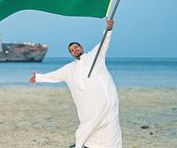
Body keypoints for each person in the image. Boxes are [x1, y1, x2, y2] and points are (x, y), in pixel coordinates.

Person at [30, 19, 121, 148]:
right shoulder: (69, 69)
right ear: (71, 54)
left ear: (81, 48)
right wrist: (38, 77)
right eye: (72, 50)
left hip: (107, 106)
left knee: (110, 131)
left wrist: (109, 29)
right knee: (86, 133)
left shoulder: (95, 56)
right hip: (90, 111)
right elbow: (54, 75)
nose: (75, 50)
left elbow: (104, 42)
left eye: (76, 47)